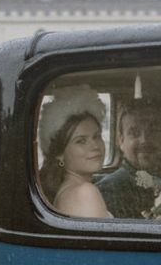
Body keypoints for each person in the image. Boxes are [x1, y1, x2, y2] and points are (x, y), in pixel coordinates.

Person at [38, 86, 110, 218]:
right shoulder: (84, 193)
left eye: (97, 136)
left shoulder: (68, 190)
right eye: (81, 141)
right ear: (60, 154)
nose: (95, 146)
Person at [97, 99, 161, 219]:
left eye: (153, 131)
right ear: (121, 141)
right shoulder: (107, 192)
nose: (144, 140)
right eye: (134, 133)